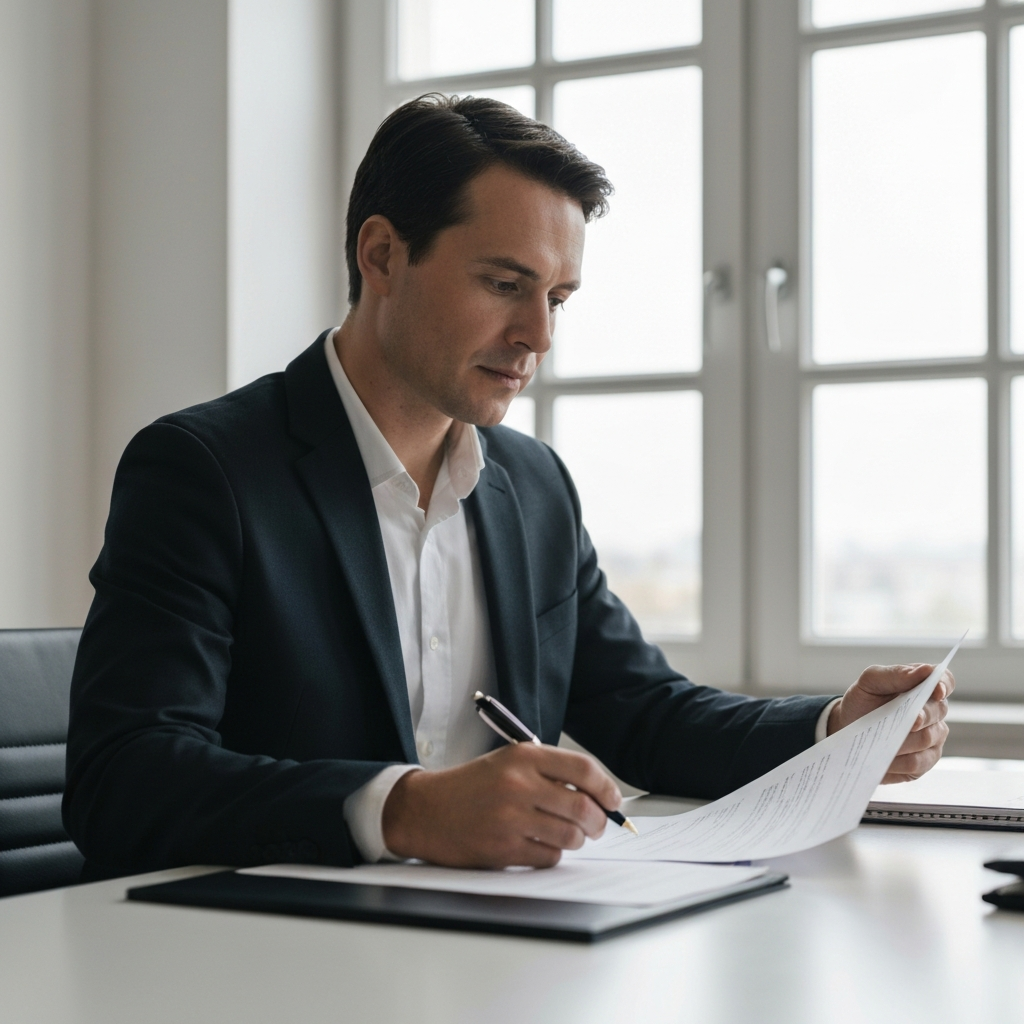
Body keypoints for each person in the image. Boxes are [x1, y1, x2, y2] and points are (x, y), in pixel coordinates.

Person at [63, 95, 953, 878]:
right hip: (271, 960)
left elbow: (640, 710)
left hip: (497, 955)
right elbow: (125, 780)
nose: (537, 336)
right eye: (504, 284)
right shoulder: (204, 470)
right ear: (381, 255)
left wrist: (835, 732)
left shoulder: (533, 486)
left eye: (558, 299)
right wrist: (405, 809)